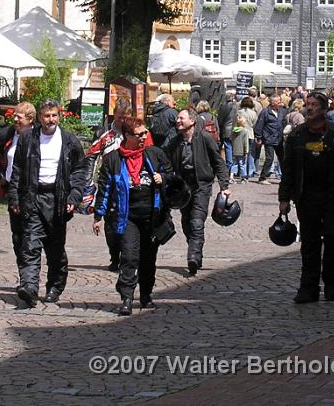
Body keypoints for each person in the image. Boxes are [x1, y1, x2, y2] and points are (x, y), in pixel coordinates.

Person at [9, 98, 89, 308]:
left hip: (58, 199)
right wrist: (14, 198)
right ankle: (29, 286)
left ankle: (55, 284)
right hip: (33, 197)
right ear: (39, 118)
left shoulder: (69, 141)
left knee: (54, 248)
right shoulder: (28, 139)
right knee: (30, 244)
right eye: (46, 116)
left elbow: (79, 171)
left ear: (59, 116)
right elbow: (17, 170)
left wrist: (74, 197)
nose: (50, 119)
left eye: (54, 115)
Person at [279, 91, 334, 303]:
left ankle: (332, 284)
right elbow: (288, 169)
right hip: (306, 196)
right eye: (308, 104)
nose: (309, 108)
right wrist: (284, 198)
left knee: (333, 240)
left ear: (324, 109)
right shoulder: (297, 135)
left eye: (314, 105)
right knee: (310, 244)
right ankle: (308, 288)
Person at [93, 117, 173, 314]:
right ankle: (127, 298)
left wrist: (163, 178)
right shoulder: (113, 159)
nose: (144, 137)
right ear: (127, 136)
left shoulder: (154, 155)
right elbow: (104, 189)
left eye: (145, 133)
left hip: (152, 216)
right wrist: (98, 215)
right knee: (129, 256)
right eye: (140, 134)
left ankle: (146, 295)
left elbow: (173, 176)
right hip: (126, 216)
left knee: (148, 258)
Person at [167, 107, 231, 276]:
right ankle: (196, 250)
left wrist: (224, 186)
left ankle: (193, 258)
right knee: (186, 222)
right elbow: (167, 164)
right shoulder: (174, 142)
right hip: (183, 187)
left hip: (201, 185)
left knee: (197, 221)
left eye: (181, 118)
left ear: (192, 121)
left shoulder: (204, 138)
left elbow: (218, 162)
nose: (178, 121)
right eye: (178, 118)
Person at [0, 102, 37, 272]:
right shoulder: (7, 134)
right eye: (14, 116)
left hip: (36, 191)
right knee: (18, 235)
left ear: (30, 119)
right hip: (14, 191)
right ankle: (25, 273)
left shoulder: (40, 136)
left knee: (33, 234)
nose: (15, 119)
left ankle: (31, 273)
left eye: (19, 117)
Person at [85, 98, 132, 271]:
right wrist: (88, 184)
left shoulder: (137, 134)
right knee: (111, 226)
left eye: (126, 118)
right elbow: (90, 156)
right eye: (120, 117)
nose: (123, 121)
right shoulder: (106, 137)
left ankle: (127, 255)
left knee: (129, 225)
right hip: (109, 184)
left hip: (129, 185)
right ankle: (114, 255)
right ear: (115, 115)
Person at [254, 94, 286, 184]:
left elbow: (284, 123)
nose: (280, 102)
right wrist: (259, 137)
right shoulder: (265, 112)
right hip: (269, 138)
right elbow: (259, 125)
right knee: (269, 158)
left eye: (280, 100)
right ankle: (262, 177)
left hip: (279, 138)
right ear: (273, 103)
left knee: (282, 158)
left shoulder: (282, 111)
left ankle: (285, 177)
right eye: (278, 101)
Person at [238, 96, 259, 179]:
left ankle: (241, 171)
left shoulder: (239, 112)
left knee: (241, 153)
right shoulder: (253, 113)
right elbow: (254, 124)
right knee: (250, 153)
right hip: (250, 134)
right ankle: (249, 171)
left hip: (240, 134)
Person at [231, 114, 250, 184]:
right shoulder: (244, 131)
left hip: (235, 150)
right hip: (242, 151)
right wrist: (246, 151)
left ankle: (231, 176)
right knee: (242, 164)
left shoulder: (234, 131)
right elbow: (246, 143)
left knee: (234, 164)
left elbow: (232, 139)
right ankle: (243, 177)